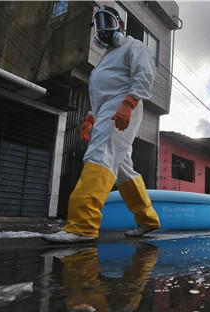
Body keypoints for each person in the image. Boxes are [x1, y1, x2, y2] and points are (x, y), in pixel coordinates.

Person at [44, 6, 158, 243]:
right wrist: (90, 118)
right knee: (123, 168)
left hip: (123, 106)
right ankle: (147, 219)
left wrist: (129, 103)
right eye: (99, 22)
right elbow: (101, 94)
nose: (103, 26)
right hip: (107, 110)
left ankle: (83, 225)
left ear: (120, 25)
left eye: (108, 20)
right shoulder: (106, 59)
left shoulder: (133, 46)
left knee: (100, 155)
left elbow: (145, 74)